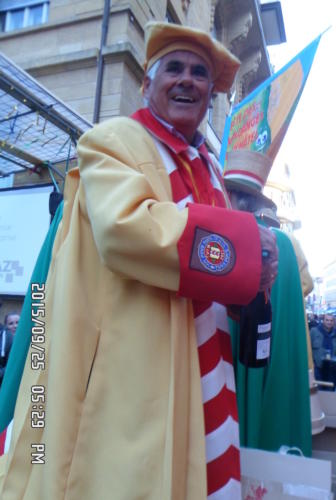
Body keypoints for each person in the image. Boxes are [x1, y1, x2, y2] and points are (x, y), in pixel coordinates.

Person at [0, 22, 278, 500]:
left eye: (199, 73)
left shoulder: (210, 166)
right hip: (132, 373)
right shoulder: (112, 141)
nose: (187, 79)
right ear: (147, 85)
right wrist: (246, 248)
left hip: (204, 363)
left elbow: (215, 262)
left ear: (211, 95)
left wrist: (251, 287)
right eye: (174, 68)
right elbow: (127, 228)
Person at [223, 150, 312, 456]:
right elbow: (305, 286)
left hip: (243, 344)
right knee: (279, 407)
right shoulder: (287, 243)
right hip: (281, 346)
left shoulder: (236, 237)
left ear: (233, 197)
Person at [310, 314, 336, 390]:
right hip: (318, 367)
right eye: (327, 320)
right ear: (323, 321)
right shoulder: (314, 331)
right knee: (318, 392)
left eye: (331, 320)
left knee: (330, 391)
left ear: (334, 322)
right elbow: (308, 348)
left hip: (332, 368)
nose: (329, 322)